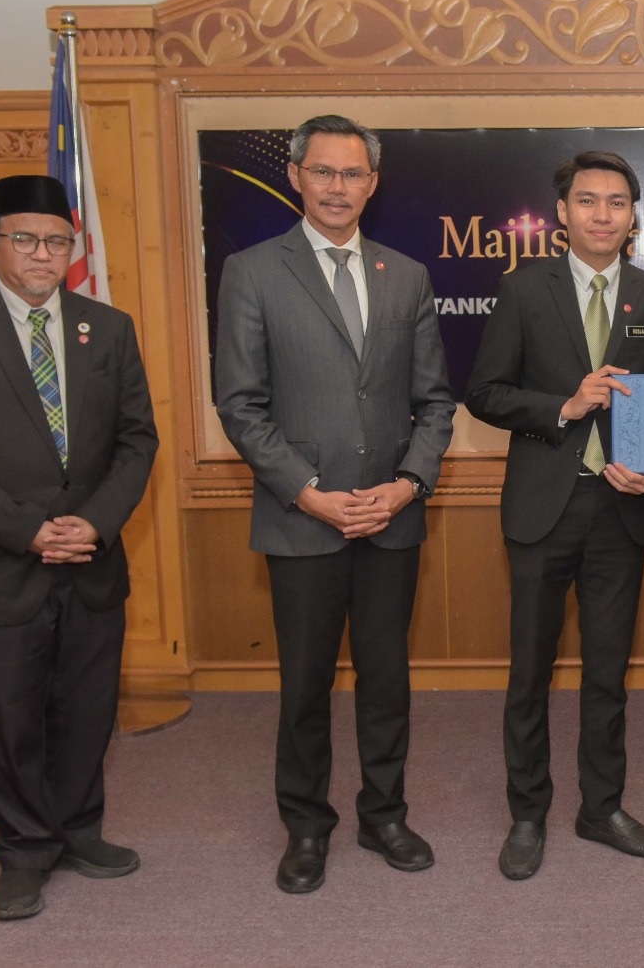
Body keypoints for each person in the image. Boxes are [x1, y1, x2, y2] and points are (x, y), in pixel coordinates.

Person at [0, 174, 159, 920]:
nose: (43, 254)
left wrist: (96, 522)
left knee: (86, 709)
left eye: (56, 241)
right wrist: (26, 528)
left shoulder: (107, 327)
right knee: (9, 718)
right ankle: (22, 849)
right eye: (24, 239)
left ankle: (78, 831)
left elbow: (137, 440)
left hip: (91, 559)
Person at [215, 115, 455, 893]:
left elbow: (435, 403)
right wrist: (310, 493)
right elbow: (240, 404)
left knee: (387, 681)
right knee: (305, 686)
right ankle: (307, 827)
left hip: (391, 519)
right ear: (295, 175)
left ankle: (384, 815)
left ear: (372, 184)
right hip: (302, 521)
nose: (337, 187)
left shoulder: (406, 275)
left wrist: (408, 484)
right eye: (323, 171)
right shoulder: (252, 271)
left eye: (352, 174)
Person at [466, 150, 644, 880]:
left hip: (620, 510)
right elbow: (485, 393)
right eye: (588, 201)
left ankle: (602, 808)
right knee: (530, 671)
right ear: (562, 213)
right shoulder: (523, 290)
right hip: (542, 509)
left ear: (633, 217)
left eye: (617, 202)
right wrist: (564, 405)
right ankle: (528, 813)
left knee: (607, 673)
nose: (602, 214)